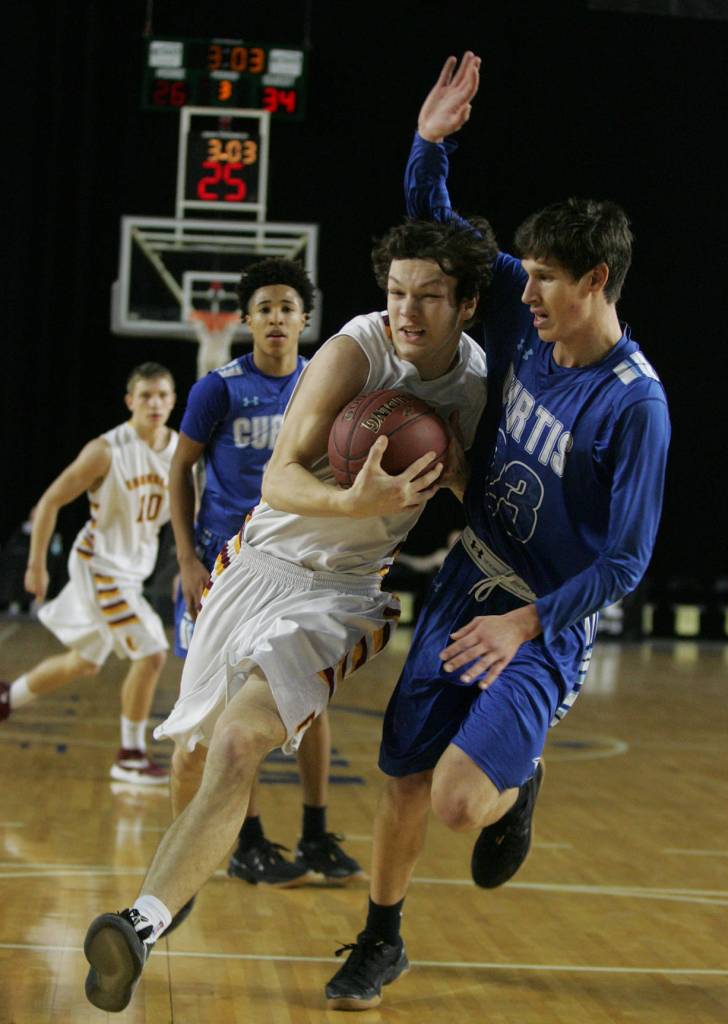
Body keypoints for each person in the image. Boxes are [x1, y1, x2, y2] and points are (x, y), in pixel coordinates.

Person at [324, 52, 671, 1010]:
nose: (524, 295)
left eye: (548, 280)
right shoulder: (529, 321)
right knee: (400, 776)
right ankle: (382, 940)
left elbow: (628, 559)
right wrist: (428, 146)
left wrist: (527, 625)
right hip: (467, 577)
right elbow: (443, 241)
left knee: (458, 803)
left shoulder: (635, 407)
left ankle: (522, 778)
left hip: (540, 620)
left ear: (596, 281)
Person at [82, 214, 495, 1013]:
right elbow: (277, 482)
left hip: (342, 592)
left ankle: (139, 922)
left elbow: (484, 495)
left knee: (240, 742)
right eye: (395, 292)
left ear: (468, 304)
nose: (406, 312)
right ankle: (178, 889)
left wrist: (456, 480)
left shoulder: (474, 389)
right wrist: (351, 497)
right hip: (255, 563)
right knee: (197, 755)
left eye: (430, 297)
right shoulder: (355, 349)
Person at [171, 257, 362, 894]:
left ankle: (314, 830)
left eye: (287, 307)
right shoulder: (218, 388)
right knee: (230, 710)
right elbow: (180, 470)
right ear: (247, 320)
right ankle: (247, 841)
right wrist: (187, 560)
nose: (277, 318)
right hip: (227, 571)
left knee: (311, 698)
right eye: (265, 308)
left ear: (305, 320)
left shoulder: (325, 387)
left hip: (300, 567)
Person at [0, 363, 178, 785]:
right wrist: (36, 563)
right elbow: (48, 503)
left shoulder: (179, 450)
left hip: (131, 570)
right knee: (152, 652)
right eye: (146, 395)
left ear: (173, 401)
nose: (155, 403)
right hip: (100, 566)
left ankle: (8, 697)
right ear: (130, 401)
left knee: (84, 663)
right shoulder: (107, 450)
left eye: (163, 395)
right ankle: (129, 755)